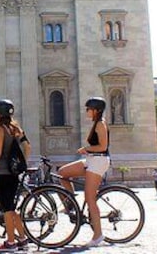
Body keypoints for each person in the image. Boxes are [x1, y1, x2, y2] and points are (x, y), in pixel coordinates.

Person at [58, 97, 109, 248]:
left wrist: (86, 149)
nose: (86, 111)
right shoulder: (96, 123)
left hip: (98, 161)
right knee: (63, 173)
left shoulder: (100, 124)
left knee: (90, 198)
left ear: (96, 110)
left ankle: (98, 235)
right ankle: (71, 204)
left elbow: (103, 147)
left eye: (88, 109)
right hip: (92, 160)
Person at [0, 98, 30, 251]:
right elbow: (27, 147)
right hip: (13, 172)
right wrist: (21, 163)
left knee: (7, 209)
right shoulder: (17, 128)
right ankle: (23, 239)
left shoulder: (1, 129)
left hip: (2, 172)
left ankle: (11, 242)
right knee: (12, 206)